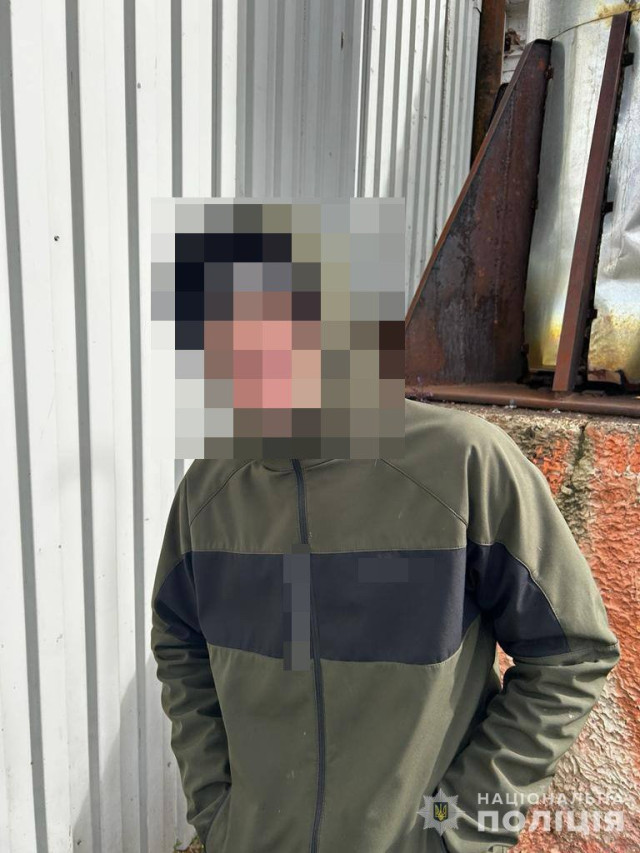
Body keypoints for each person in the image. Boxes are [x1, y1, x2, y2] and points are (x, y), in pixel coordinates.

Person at [150, 396, 620, 853]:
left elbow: (570, 655)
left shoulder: (463, 463)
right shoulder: (206, 488)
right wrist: (218, 813)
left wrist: (454, 827)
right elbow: (179, 642)